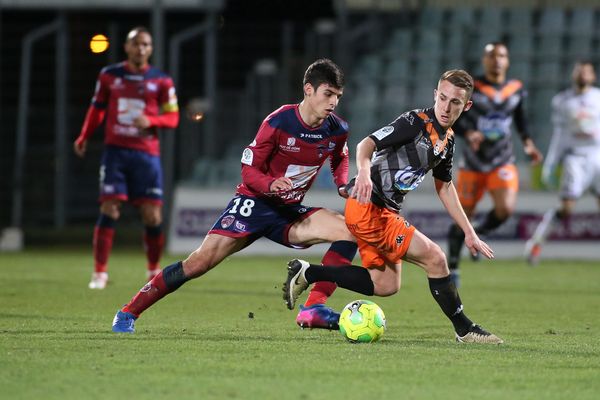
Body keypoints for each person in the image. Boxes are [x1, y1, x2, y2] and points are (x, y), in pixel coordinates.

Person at [111, 58, 358, 333]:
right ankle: (128, 312)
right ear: (308, 89)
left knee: (348, 231)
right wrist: (270, 184)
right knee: (198, 263)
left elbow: (340, 157)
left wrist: (341, 184)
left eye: (338, 96)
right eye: (328, 94)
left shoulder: (337, 129)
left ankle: (313, 308)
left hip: (289, 212)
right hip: (254, 204)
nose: (333, 102)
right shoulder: (278, 122)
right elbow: (249, 171)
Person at [284, 70, 504, 344]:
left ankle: (309, 272)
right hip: (369, 208)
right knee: (435, 258)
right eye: (443, 98)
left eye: (455, 102)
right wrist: (363, 172)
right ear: (436, 94)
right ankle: (464, 328)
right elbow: (367, 144)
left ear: (466, 105)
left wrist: (469, 232)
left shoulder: (447, 141)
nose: (446, 107)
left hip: (382, 211)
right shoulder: (414, 122)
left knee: (386, 284)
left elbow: (445, 187)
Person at [74, 27, 180, 290]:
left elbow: (173, 117)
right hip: (116, 152)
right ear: (126, 47)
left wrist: (152, 120)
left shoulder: (162, 81)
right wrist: (84, 135)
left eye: (145, 44)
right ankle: (100, 273)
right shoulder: (110, 75)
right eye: (136, 44)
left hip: (146, 154)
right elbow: (97, 108)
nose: (140, 49)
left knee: (152, 216)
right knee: (109, 208)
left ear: (151, 49)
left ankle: (153, 270)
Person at [446, 42, 543, 286]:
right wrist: (469, 133)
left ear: (507, 61)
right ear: (484, 60)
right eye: (491, 55)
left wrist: (529, 144)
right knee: (462, 217)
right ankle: (454, 266)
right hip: (473, 163)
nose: (496, 60)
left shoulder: (516, 89)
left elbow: (521, 120)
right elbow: (454, 118)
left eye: (501, 55)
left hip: (502, 160)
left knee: (505, 209)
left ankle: (479, 232)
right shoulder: (472, 88)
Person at [525, 61, 600, 265]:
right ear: (574, 74)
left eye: (587, 71)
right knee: (566, 208)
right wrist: (550, 164)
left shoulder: (598, 97)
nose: (583, 74)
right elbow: (559, 135)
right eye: (579, 70)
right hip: (575, 157)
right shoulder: (563, 101)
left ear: (592, 76)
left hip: (598, 156)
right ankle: (536, 243)